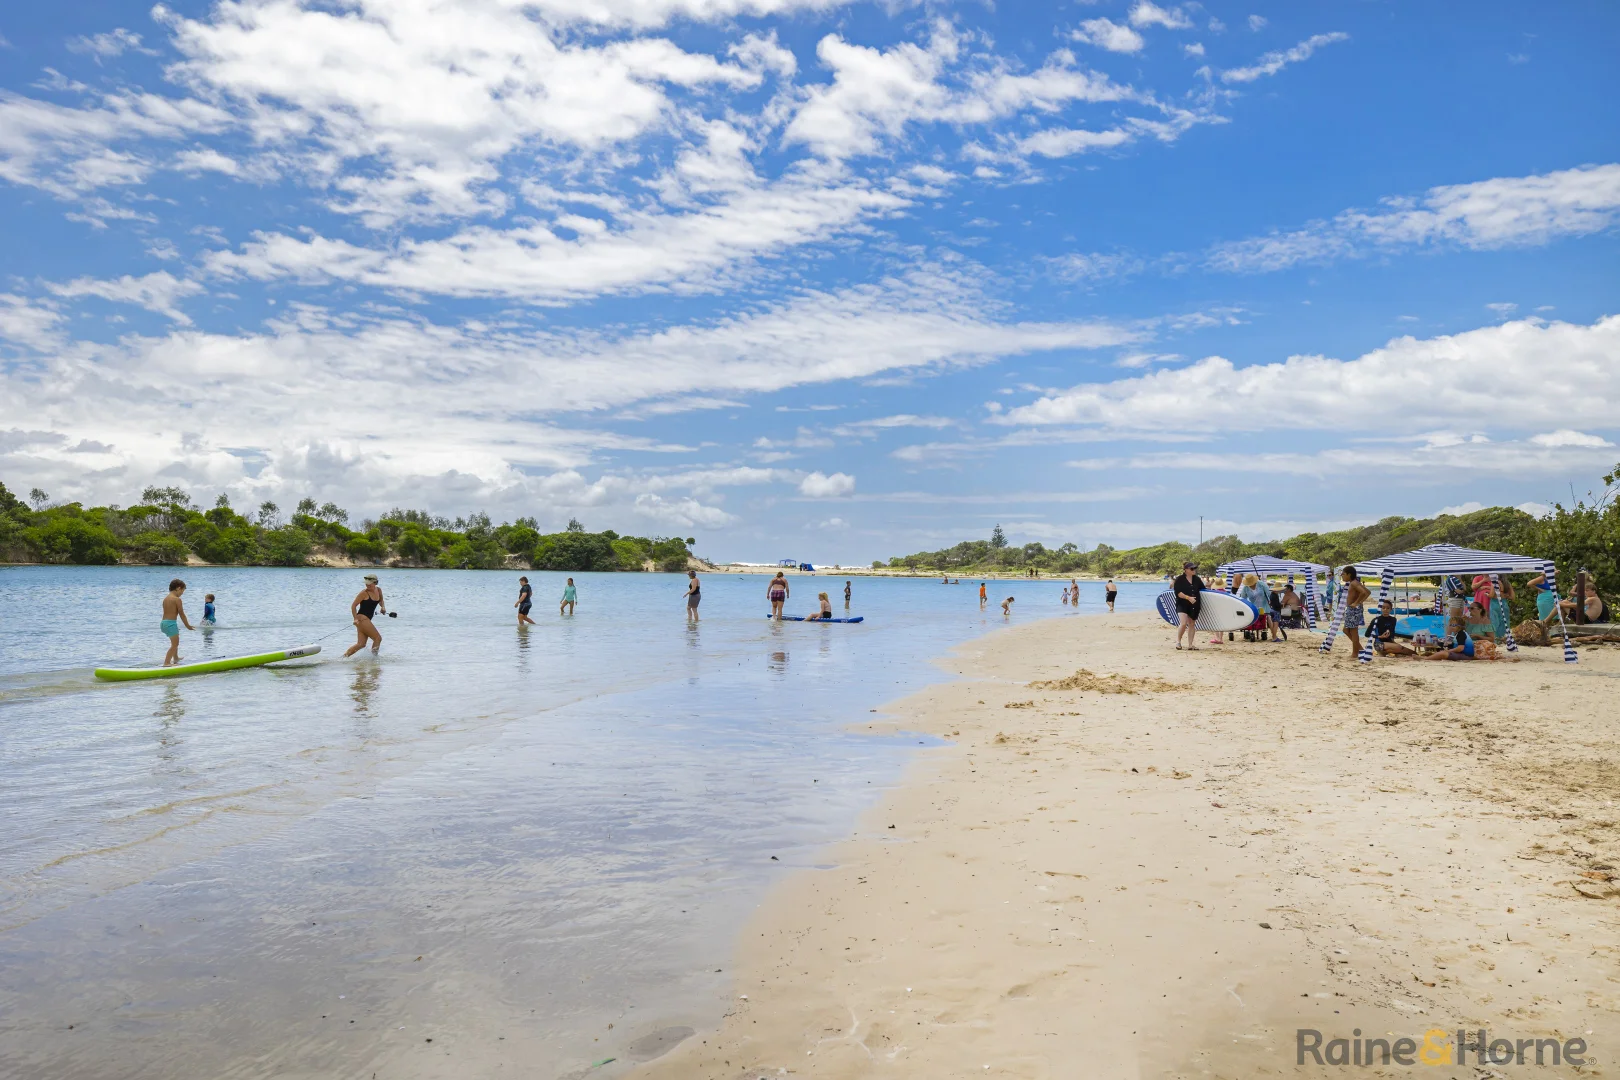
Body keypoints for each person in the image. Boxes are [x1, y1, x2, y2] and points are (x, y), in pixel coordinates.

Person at [344, 574, 385, 658]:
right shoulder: (364, 593)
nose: (367, 585)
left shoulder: (379, 590)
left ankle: (343, 658)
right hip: (362, 619)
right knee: (378, 638)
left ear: (375, 582)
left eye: (369, 583)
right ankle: (373, 660)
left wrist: (383, 607)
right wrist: (355, 618)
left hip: (367, 619)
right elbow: (353, 606)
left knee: (361, 644)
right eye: (366, 583)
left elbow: (381, 600)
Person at [160, 578, 196, 666]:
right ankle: (167, 663)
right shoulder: (177, 599)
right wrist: (187, 625)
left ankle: (175, 658)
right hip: (170, 623)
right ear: (178, 588)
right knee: (175, 644)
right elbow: (182, 614)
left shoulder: (166, 598)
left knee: (175, 641)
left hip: (164, 623)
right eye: (182, 591)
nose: (182, 593)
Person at [1338, 566, 1370, 657]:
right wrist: (1360, 602)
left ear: (1349, 574)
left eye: (1343, 574)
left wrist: (1356, 603)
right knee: (1345, 630)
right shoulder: (1355, 582)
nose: (1342, 576)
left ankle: (1355, 653)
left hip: (1353, 609)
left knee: (1353, 631)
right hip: (1354, 609)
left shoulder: (1353, 583)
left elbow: (1364, 593)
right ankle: (1360, 649)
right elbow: (1368, 592)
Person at [1237, 573, 1278, 642]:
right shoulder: (1246, 588)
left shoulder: (1262, 584)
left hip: (1264, 606)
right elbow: (1243, 598)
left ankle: (1274, 636)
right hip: (1253, 607)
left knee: (1268, 617)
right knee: (1252, 618)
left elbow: (1269, 593)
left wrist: (1271, 601)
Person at [1172, 562, 1204, 650]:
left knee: (1192, 624)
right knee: (1183, 623)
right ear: (1186, 570)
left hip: (1194, 604)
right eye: (1192, 569)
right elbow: (1178, 593)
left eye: (1194, 568)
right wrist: (1188, 597)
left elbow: (1203, 589)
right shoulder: (1179, 579)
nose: (1194, 570)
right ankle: (1178, 642)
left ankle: (1190, 645)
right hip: (1182, 604)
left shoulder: (1197, 579)